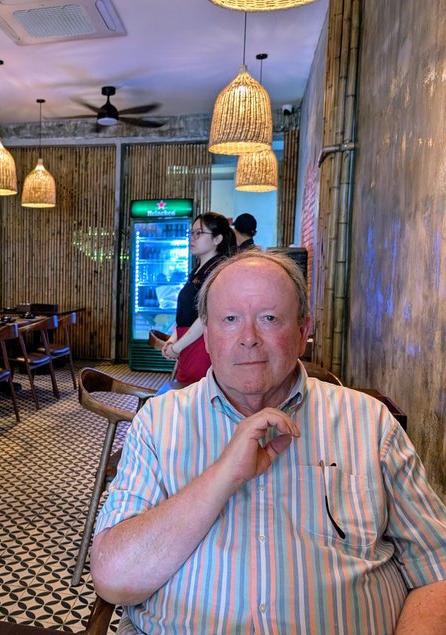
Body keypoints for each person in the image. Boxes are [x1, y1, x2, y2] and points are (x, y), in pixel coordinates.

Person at [92, 251, 446, 634]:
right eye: (230, 320)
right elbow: (114, 579)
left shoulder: (370, 423)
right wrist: (222, 474)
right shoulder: (159, 423)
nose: (248, 339)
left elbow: (436, 568)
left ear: (302, 331)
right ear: (207, 336)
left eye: (269, 318)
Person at [161, 212, 234, 384]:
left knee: (196, 393)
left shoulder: (218, 270)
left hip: (202, 343)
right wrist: (174, 338)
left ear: (217, 239)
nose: (192, 238)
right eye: (191, 233)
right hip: (187, 340)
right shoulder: (198, 269)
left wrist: (177, 346)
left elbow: (205, 317)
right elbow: (188, 313)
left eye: (199, 233)